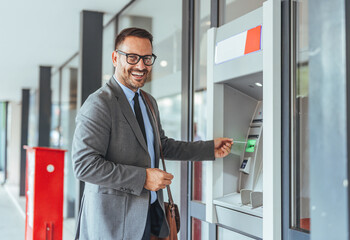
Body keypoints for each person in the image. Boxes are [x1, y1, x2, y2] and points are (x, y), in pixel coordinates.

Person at [72, 27, 233, 240]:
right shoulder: (100, 103)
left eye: (147, 59)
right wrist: (143, 178)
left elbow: (161, 146)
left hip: (148, 218)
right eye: (132, 57)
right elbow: (84, 165)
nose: (141, 66)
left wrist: (208, 148)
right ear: (115, 58)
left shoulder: (148, 102)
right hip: (112, 224)